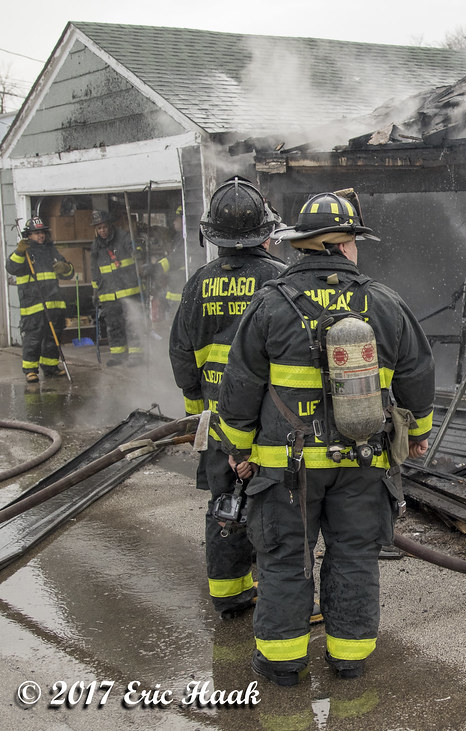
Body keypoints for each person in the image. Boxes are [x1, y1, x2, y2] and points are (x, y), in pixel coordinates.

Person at [216, 190, 435, 686]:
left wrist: (237, 448)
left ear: (303, 246)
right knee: (355, 557)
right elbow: (418, 373)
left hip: (284, 469)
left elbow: (241, 384)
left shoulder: (271, 304)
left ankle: (283, 665)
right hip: (363, 463)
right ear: (347, 245)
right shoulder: (384, 301)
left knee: (286, 561)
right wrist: (417, 434)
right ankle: (349, 659)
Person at [168, 178, 287, 620]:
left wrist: (197, 411)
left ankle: (228, 594)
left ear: (211, 235)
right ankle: (270, 589)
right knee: (273, 504)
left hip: (219, 419)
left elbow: (181, 351)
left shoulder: (198, 283)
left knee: (225, 504)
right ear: (266, 232)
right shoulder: (279, 280)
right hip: (269, 419)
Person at [5, 217, 75, 382]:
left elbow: (69, 273)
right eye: (36, 233)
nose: (40, 236)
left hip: (54, 303)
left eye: (42, 232)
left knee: (53, 337)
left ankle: (50, 367)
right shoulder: (25, 252)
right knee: (33, 338)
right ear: (29, 235)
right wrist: (19, 252)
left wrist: (66, 268)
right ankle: (30, 370)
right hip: (33, 305)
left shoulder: (51, 251)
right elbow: (12, 267)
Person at [89, 209, 143, 365]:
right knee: (114, 325)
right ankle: (118, 356)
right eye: (99, 228)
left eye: (104, 227)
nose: (102, 231)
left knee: (132, 322)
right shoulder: (96, 246)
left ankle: (136, 355)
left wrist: (136, 252)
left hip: (129, 290)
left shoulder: (123, 237)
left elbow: (135, 245)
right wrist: (95, 292)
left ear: (109, 225)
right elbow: (94, 270)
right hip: (108, 294)